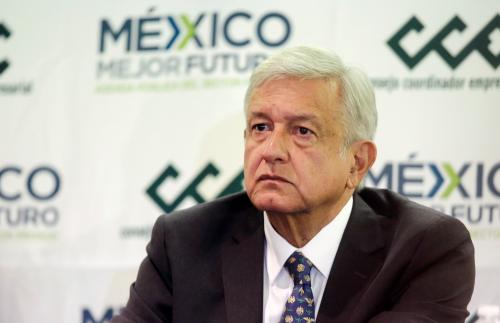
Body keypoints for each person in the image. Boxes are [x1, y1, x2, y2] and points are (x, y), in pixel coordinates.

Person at [111, 46, 475, 323]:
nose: (272, 151)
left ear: (357, 161)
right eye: (261, 127)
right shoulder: (184, 242)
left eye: (302, 131)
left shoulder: (423, 249)